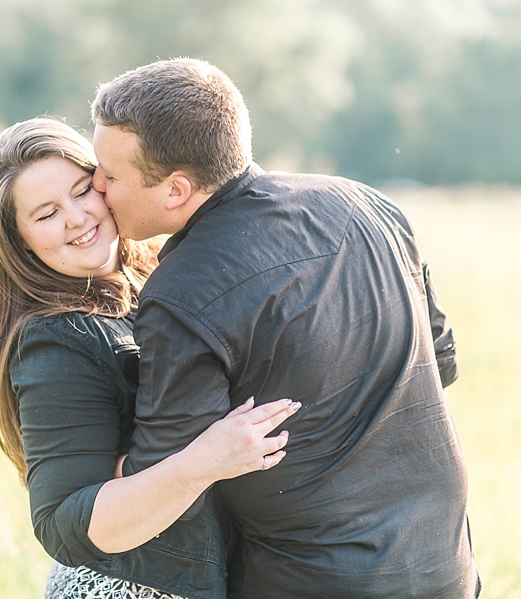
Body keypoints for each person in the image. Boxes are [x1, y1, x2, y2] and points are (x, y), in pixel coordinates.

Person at [89, 57, 480, 598]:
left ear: (176, 189)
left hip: (312, 582)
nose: (95, 186)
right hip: (445, 567)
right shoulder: (366, 203)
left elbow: (165, 484)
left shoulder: (182, 290)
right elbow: (442, 363)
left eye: (110, 175)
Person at [0, 117, 301, 599]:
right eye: (45, 215)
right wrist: (205, 461)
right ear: (18, 240)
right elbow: (64, 521)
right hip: (126, 587)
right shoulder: (55, 340)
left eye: (83, 190)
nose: (76, 218)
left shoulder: (158, 276)